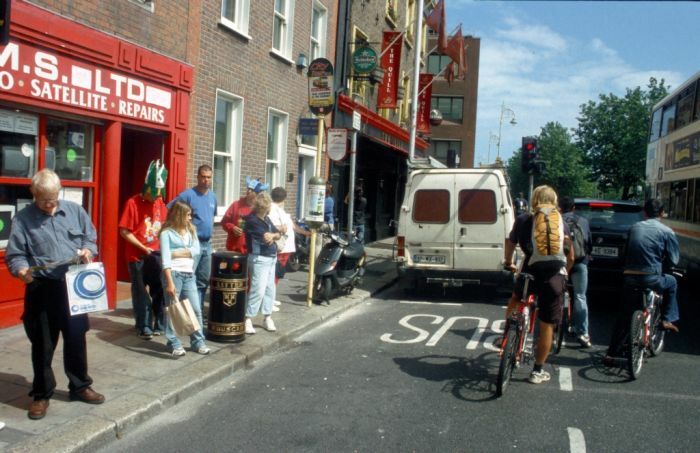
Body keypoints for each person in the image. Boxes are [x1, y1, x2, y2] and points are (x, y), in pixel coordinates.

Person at [5, 169, 105, 420]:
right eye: (44, 200)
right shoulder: (23, 220)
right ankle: (41, 394)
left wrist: (87, 251)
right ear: (34, 194)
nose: (50, 205)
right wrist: (21, 270)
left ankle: (80, 385)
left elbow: (91, 238)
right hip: (42, 286)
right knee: (43, 344)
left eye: (53, 198)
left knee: (76, 337)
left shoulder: (75, 211)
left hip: (73, 285)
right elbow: (15, 255)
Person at [503, 185, 574, 385]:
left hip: (529, 272)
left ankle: (509, 333)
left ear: (534, 199)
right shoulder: (561, 223)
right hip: (554, 276)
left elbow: (511, 243)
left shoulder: (524, 219)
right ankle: (537, 371)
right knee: (546, 324)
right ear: (554, 201)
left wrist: (508, 262)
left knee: (517, 298)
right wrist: (566, 272)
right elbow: (571, 254)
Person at [604, 198, 680, 363]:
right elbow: (674, 259)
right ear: (662, 213)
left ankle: (612, 353)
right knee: (672, 282)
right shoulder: (667, 231)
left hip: (630, 276)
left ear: (645, 213)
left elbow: (625, 252)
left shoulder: (634, 228)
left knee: (624, 314)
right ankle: (667, 318)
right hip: (652, 277)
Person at [119, 160, 168, 339]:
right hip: (136, 256)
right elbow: (124, 231)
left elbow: (163, 226)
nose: (154, 199)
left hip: (155, 255)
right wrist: (142, 247)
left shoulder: (160, 202)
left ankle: (160, 324)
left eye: (157, 195)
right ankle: (143, 326)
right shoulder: (132, 203)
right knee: (140, 293)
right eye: (152, 195)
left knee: (159, 290)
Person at [159, 201, 210, 357]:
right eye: (188, 215)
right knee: (173, 310)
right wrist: (169, 282)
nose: (190, 218)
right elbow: (166, 259)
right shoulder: (166, 233)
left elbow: (196, 251)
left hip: (189, 274)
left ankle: (198, 342)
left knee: (195, 309)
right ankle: (173, 343)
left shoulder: (191, 231)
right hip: (173, 274)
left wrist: (177, 252)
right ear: (180, 215)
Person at [169, 165, 217, 315]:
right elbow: (171, 211)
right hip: (192, 244)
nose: (205, 180)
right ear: (197, 177)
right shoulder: (187, 195)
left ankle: (198, 313)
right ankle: (185, 314)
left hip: (207, 245)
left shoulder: (213, 196)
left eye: (208, 177)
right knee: (187, 279)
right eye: (203, 176)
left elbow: (211, 217)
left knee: (203, 281)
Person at [244, 193, 282, 334]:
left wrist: (273, 235)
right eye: (267, 207)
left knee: (269, 289)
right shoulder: (252, 220)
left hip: (271, 257)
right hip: (259, 258)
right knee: (257, 290)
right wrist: (273, 235)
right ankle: (248, 318)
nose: (269, 209)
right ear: (263, 207)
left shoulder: (266, 219)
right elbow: (266, 237)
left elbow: (277, 233)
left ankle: (267, 317)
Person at [559, 196, 593, 348]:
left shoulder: (557, 220)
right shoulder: (583, 221)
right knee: (580, 296)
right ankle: (583, 333)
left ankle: (555, 324)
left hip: (561, 262)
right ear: (574, 208)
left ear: (560, 207)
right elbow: (588, 243)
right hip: (580, 262)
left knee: (557, 292)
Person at [221, 176, 269, 253]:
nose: (248, 191)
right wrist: (232, 228)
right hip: (234, 249)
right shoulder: (236, 205)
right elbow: (224, 222)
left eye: (252, 190)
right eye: (248, 188)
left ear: (257, 193)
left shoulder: (260, 209)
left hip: (252, 251)